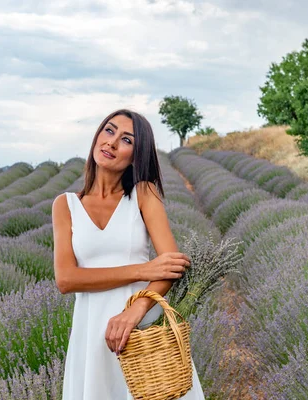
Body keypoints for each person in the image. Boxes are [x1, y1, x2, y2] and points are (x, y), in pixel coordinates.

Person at [52, 109, 206, 399]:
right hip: (92, 330)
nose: (111, 143)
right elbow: (66, 279)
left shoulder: (143, 194)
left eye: (126, 140)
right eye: (108, 131)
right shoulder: (65, 205)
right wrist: (142, 270)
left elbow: (170, 266)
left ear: (136, 155)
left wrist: (136, 311)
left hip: (141, 328)